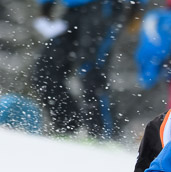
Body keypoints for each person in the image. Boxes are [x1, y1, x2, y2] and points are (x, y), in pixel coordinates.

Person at [31, 0, 141, 139]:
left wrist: (137, 5)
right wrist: (46, 4)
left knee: (90, 71)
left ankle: (102, 135)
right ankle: (68, 127)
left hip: (104, 7)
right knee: (45, 72)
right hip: (72, 9)